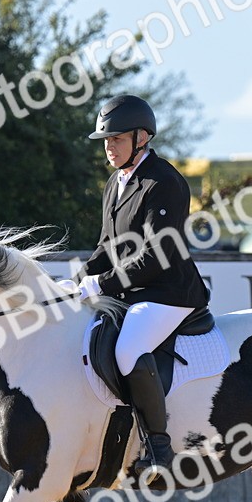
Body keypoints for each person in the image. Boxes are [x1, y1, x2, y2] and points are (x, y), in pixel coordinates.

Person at [73, 94, 210, 475]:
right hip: (132, 291)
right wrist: (78, 280)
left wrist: (102, 284)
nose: (108, 147)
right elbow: (106, 246)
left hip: (168, 292)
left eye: (116, 139)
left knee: (129, 348)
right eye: (105, 140)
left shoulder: (163, 181)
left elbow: (156, 255)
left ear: (142, 138)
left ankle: (159, 448)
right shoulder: (115, 183)